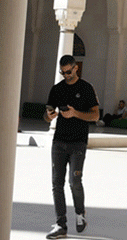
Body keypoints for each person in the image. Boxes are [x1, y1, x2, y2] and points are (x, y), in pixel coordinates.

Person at [43, 55, 99, 239]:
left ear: (76, 68)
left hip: (78, 142)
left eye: (68, 71)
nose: (66, 75)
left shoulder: (86, 88)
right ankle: (60, 224)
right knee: (56, 183)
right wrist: (49, 116)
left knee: (74, 181)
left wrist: (75, 113)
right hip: (59, 141)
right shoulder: (57, 89)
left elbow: (95, 116)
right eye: (62, 72)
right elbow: (47, 113)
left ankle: (80, 213)